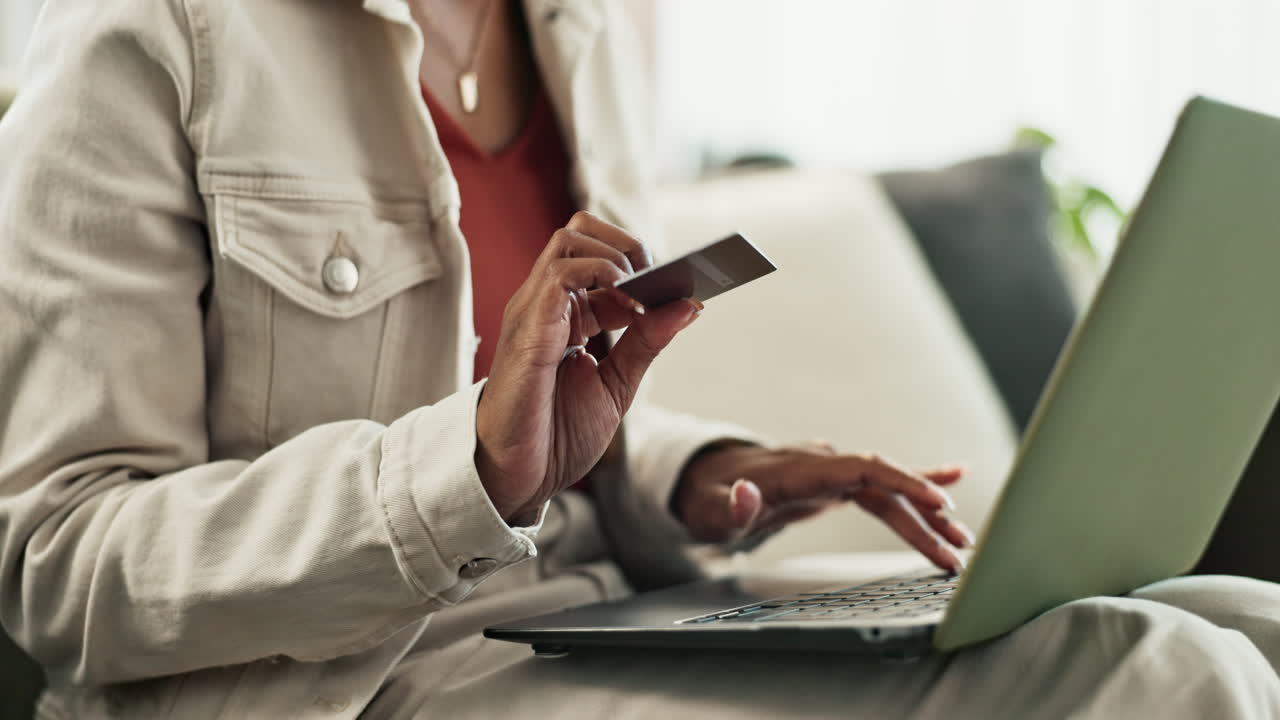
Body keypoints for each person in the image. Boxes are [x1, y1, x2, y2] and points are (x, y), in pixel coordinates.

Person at [0, 1, 1276, 717]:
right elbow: (58, 565)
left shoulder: (582, 29)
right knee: (1164, 676)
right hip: (351, 688)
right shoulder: (148, 31)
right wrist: (470, 472)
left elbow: (521, 396)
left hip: (597, 613)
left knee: (1244, 624)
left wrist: (697, 471)